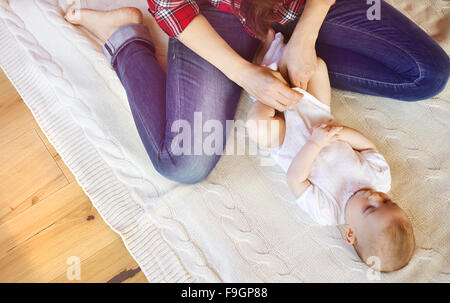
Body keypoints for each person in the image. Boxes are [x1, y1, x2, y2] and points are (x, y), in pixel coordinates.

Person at [64, 0, 449, 184]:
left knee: (427, 74)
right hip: (215, 17)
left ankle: (282, 50)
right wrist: (246, 75)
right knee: (183, 162)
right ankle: (125, 35)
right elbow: (174, 10)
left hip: (300, 7)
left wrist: (305, 38)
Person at [246, 32, 415, 271]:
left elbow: (296, 179)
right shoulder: (379, 179)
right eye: (388, 201)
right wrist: (339, 132)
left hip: (288, 141)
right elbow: (367, 146)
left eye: (369, 209)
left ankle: (267, 89)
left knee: (257, 126)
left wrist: (315, 144)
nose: (376, 197)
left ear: (350, 233)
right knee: (317, 66)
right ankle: (283, 71)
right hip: (320, 119)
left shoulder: (327, 212)